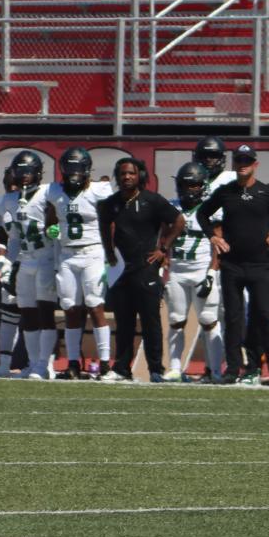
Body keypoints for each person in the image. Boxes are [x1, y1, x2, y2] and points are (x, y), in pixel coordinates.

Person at [196, 145, 269, 384]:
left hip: (261, 264)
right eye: (239, 160)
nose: (243, 164)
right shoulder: (225, 192)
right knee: (232, 317)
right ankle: (233, 369)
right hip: (232, 264)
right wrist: (213, 236)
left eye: (247, 160)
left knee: (263, 316)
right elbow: (202, 214)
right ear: (233, 163)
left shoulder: (267, 193)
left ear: (255, 164)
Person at [96, 158, 177, 382]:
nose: (127, 177)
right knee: (124, 323)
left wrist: (163, 248)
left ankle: (156, 370)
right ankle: (122, 368)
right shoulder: (111, 203)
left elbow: (178, 221)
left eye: (131, 173)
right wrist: (109, 252)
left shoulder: (152, 200)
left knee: (151, 323)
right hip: (122, 271)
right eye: (122, 174)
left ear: (139, 175)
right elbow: (103, 225)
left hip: (147, 269)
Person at [45, 147, 115, 380]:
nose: (74, 175)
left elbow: (110, 223)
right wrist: (51, 228)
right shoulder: (54, 191)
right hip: (67, 254)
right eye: (70, 170)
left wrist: (109, 256)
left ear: (86, 170)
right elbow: (51, 219)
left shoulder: (99, 191)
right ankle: (73, 363)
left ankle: (105, 363)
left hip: (93, 251)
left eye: (78, 170)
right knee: (70, 308)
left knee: (95, 306)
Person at [3, 151, 60, 379]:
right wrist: (10, 264)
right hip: (26, 260)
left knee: (45, 312)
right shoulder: (11, 199)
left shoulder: (49, 192)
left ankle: (45, 365)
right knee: (27, 313)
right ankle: (34, 362)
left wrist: (55, 230)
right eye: (20, 172)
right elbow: (15, 238)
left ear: (37, 172)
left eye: (28, 171)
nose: (24, 176)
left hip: (46, 257)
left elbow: (59, 219)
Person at [164, 160, 223, 382]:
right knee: (176, 319)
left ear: (203, 186)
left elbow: (217, 243)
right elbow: (163, 239)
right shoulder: (171, 207)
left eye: (195, 185)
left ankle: (214, 370)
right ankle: (175, 367)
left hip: (201, 269)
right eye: (187, 185)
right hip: (177, 270)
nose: (191, 189)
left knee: (209, 320)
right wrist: (164, 269)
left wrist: (212, 272)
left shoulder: (210, 210)